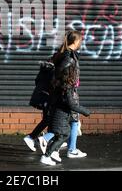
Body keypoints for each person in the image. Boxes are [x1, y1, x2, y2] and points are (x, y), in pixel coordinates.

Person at [40, 30, 91, 166]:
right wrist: (66, 85)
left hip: (66, 92)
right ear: (76, 41)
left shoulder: (68, 54)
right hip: (67, 93)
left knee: (66, 128)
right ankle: (54, 147)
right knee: (65, 129)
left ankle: (55, 150)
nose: (81, 42)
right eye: (80, 40)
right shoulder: (68, 57)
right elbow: (58, 73)